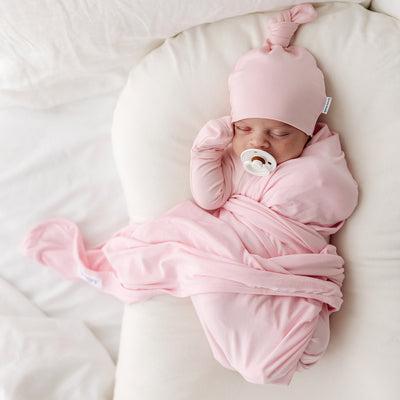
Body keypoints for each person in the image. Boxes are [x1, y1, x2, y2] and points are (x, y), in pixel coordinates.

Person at [22, 3, 358, 385]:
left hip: (289, 259)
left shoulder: (320, 165)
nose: (259, 142)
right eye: (245, 128)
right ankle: (261, 348)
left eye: (280, 134)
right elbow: (210, 202)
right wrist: (206, 152)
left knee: (245, 301)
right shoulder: (236, 156)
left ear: (309, 130)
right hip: (229, 257)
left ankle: (279, 342)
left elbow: (334, 198)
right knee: (208, 282)